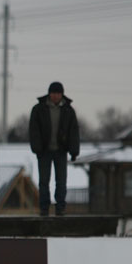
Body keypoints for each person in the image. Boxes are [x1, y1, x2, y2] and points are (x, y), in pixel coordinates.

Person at [29, 81, 80, 216]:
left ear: (62, 94)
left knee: (61, 181)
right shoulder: (39, 109)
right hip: (44, 151)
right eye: (53, 93)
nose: (56, 96)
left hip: (61, 151)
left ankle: (60, 208)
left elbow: (73, 132)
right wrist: (37, 148)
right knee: (44, 181)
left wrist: (74, 151)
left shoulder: (68, 110)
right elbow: (34, 130)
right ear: (49, 94)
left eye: (58, 93)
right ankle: (44, 208)